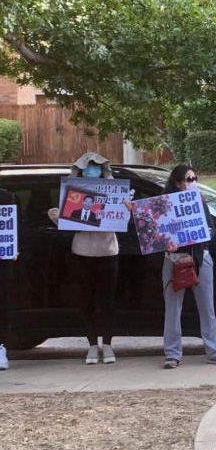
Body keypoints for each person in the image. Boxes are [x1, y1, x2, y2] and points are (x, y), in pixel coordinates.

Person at [48, 153, 124, 365]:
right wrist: (59, 215)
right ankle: (92, 345)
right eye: (88, 167)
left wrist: (125, 208)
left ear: (103, 170)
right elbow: (59, 217)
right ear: (81, 171)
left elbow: (122, 216)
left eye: (96, 167)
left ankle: (107, 344)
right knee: (86, 301)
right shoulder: (74, 193)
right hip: (82, 253)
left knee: (108, 302)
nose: (93, 171)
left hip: (108, 252)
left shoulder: (113, 191)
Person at [160, 165, 216, 368]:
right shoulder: (165, 204)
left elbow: (212, 230)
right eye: (187, 179)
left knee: (207, 307)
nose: (191, 183)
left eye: (193, 178)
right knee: (173, 308)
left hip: (200, 258)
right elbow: (158, 232)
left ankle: (214, 350)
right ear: (177, 182)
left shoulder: (199, 201)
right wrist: (168, 243)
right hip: (174, 259)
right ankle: (172, 353)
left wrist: (202, 233)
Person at [0, 185, 18, 371]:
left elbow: (12, 227)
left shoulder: (6, 197)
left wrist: (13, 246)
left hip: (3, 261)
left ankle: (0, 347)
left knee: (2, 304)